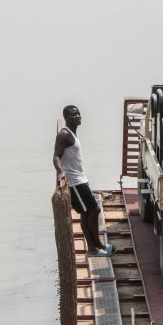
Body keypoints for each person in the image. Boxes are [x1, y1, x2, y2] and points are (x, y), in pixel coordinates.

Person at [53, 105, 115, 257]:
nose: (79, 116)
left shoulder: (73, 133)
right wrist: (61, 172)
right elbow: (56, 156)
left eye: (79, 114)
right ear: (67, 117)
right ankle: (97, 246)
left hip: (81, 178)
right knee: (94, 210)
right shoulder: (64, 134)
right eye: (74, 115)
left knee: (86, 213)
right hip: (74, 182)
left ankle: (93, 248)